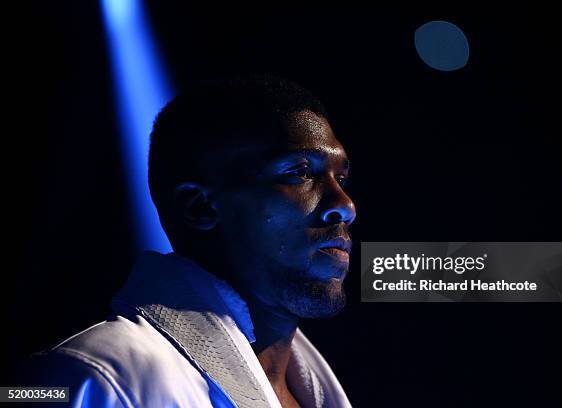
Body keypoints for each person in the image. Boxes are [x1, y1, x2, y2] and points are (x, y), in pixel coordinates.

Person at [19, 76, 356, 407]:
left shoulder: (311, 392)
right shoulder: (92, 379)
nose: (344, 206)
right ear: (200, 207)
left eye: (340, 178)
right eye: (299, 172)